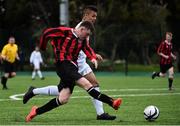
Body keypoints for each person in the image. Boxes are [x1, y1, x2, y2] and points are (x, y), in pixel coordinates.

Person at [23, 5, 116, 120]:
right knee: (92, 85)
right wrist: (44, 47)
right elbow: (55, 37)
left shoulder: (87, 29)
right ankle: (104, 110)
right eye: (93, 16)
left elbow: (85, 47)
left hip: (76, 64)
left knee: (63, 95)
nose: (95, 18)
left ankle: (34, 95)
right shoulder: (77, 30)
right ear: (86, 15)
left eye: (96, 16)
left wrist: (92, 56)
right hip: (72, 64)